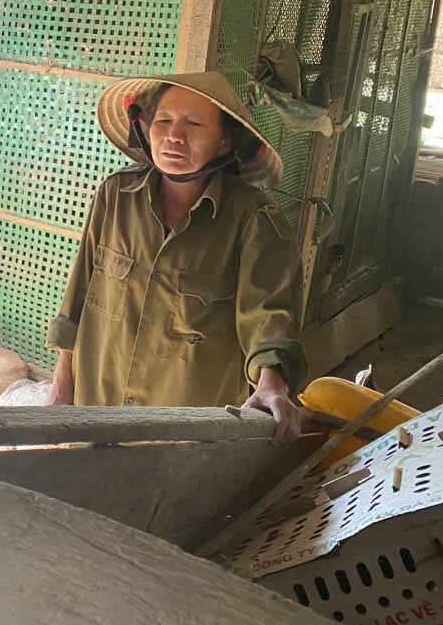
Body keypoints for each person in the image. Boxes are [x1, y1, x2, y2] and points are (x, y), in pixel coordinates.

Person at [46, 72, 307, 442]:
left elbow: (268, 314)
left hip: (185, 434)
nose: (174, 136)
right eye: (163, 120)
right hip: (98, 412)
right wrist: (61, 387)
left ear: (224, 141)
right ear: (146, 127)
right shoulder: (115, 195)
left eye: (194, 124)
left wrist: (271, 384)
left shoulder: (253, 218)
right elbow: (79, 295)